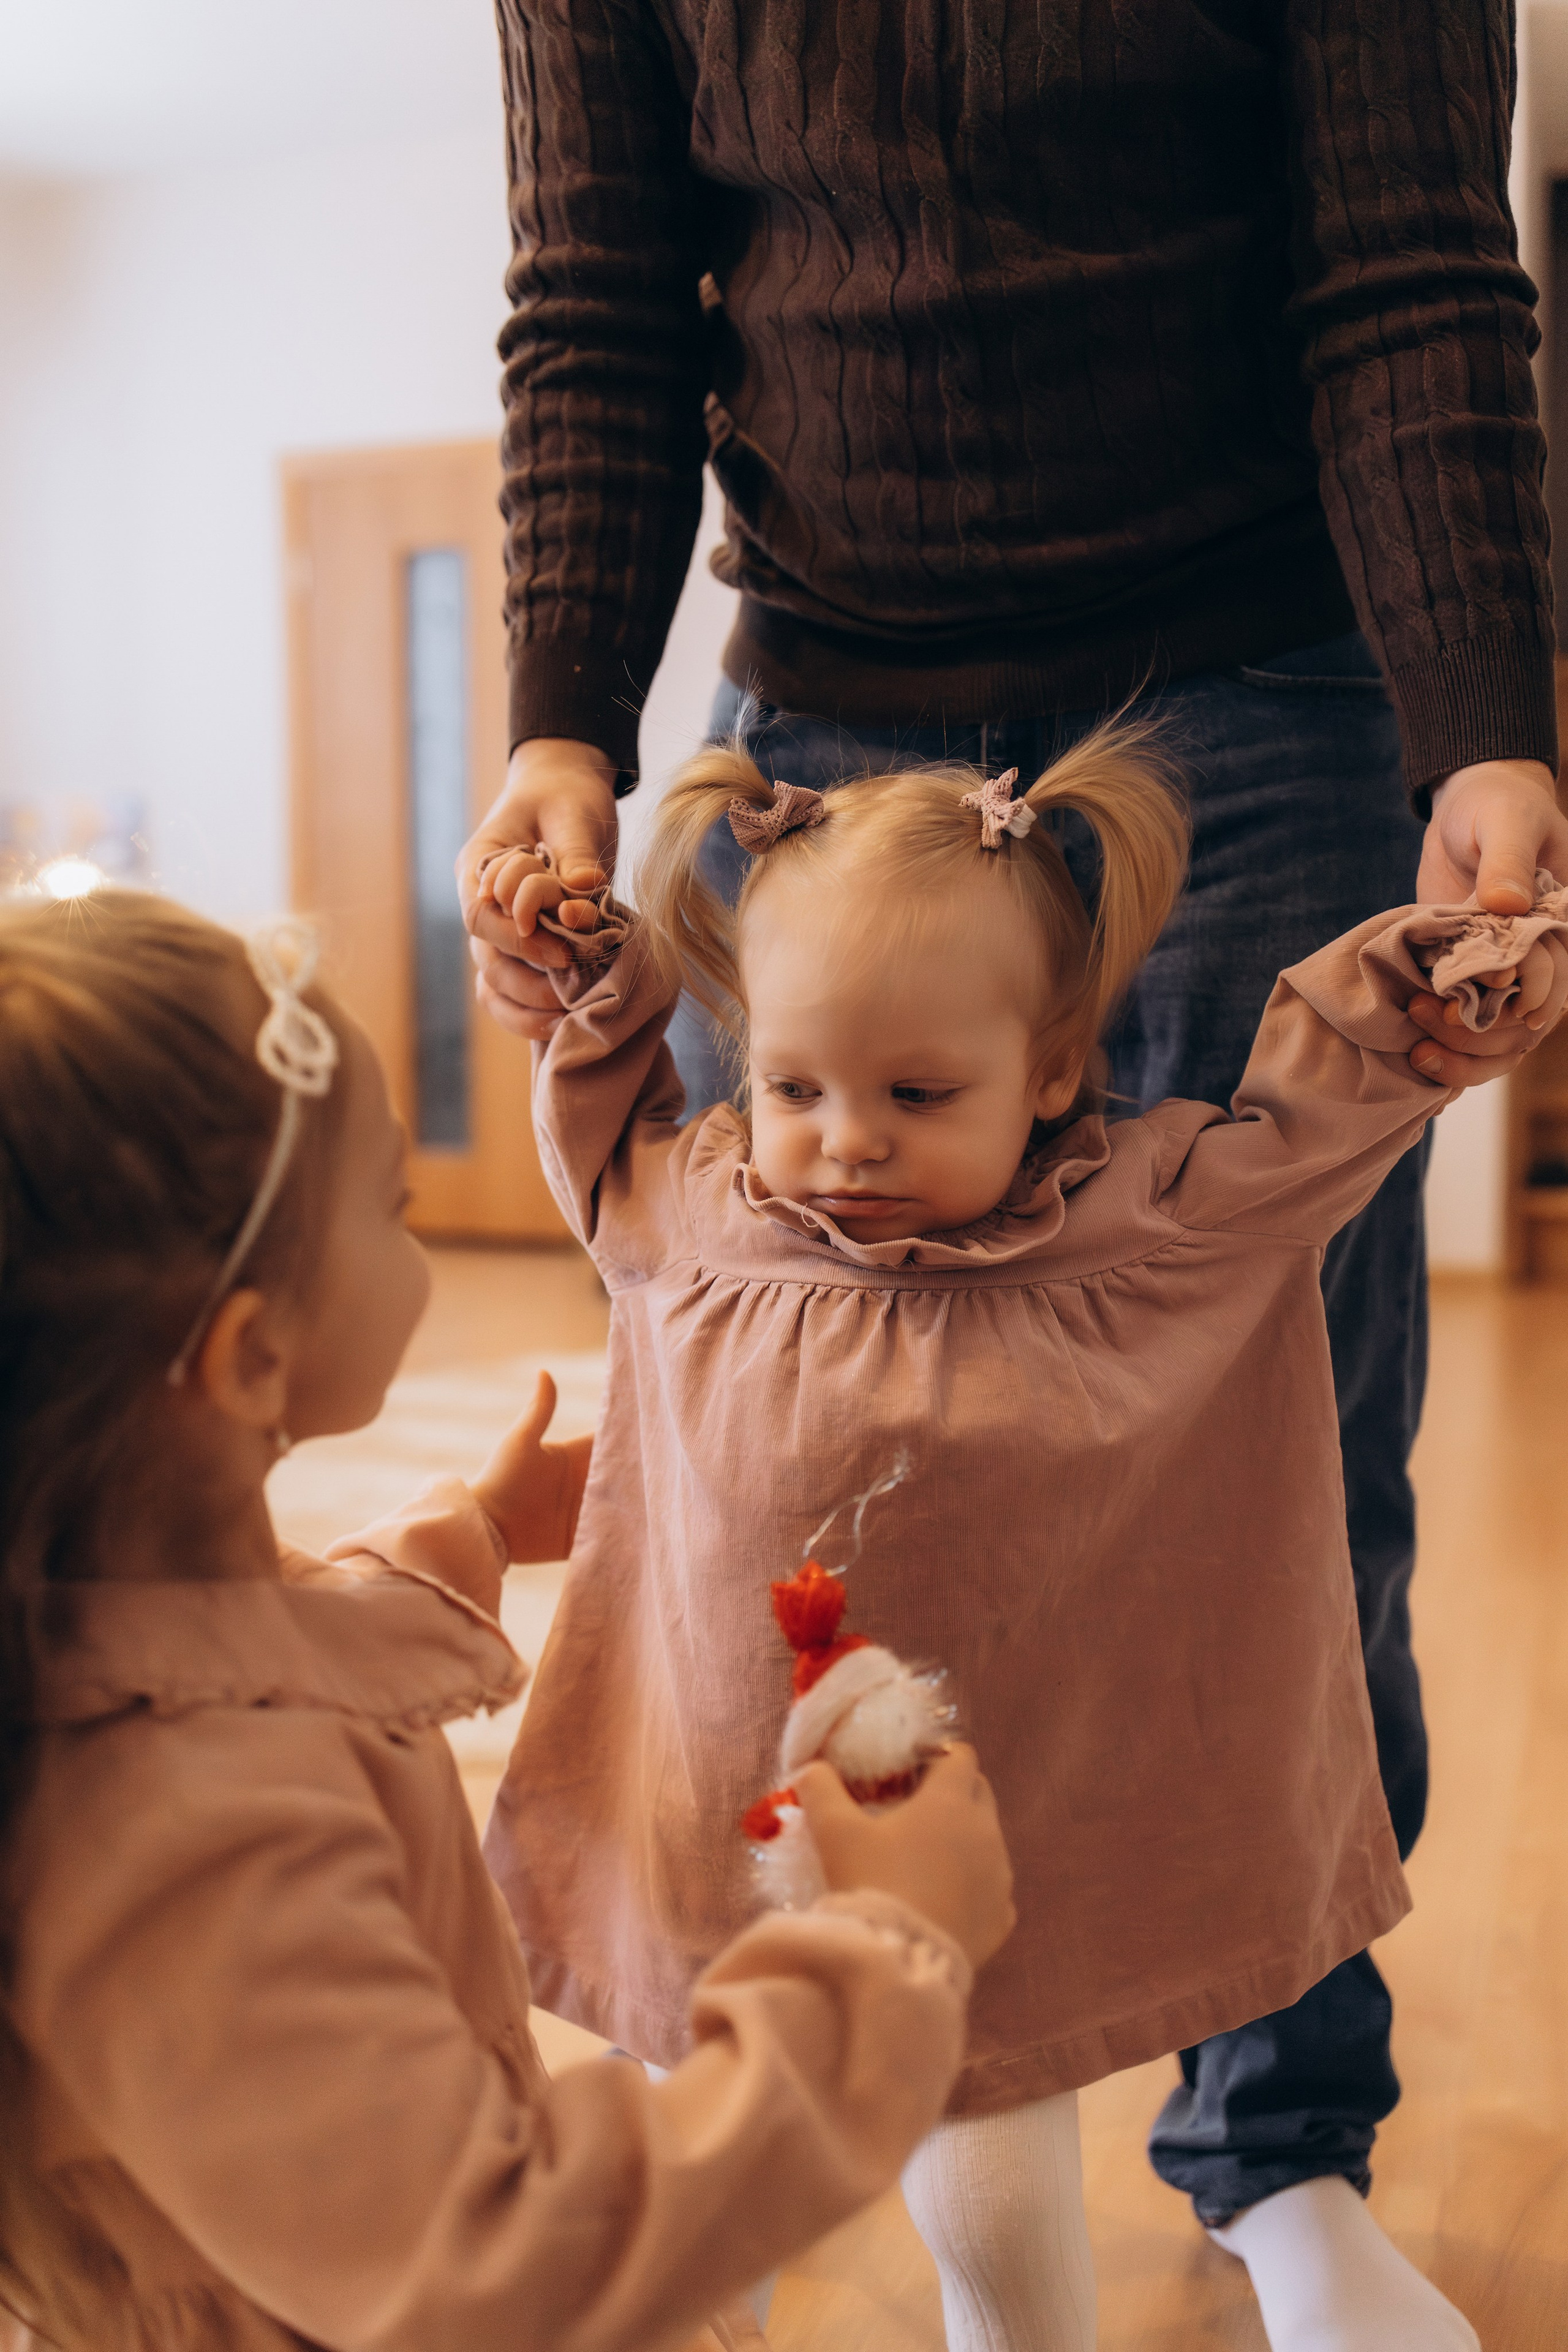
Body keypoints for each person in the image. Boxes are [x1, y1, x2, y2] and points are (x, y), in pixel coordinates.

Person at [461, 7, 1568, 2342]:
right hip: (822, 694)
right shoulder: (695, 1148)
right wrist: (567, 717)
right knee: (790, 1484)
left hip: (1258, 682)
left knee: (1290, 1460)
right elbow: (596, 288)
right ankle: (890, 2066)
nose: (841, 1159)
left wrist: (1482, 715)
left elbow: (1412, 265)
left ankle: (1282, 2158)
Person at [473, 727, 1566, 2352]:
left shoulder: (1157, 1218)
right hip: (714, 1823)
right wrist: (575, 959)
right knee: (690, 2209)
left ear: (1053, 1074)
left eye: (918, 1094)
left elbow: (1326, 1112)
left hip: (982, 1869)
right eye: (793, 1085)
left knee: (991, 2193)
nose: (844, 1138)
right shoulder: (684, 1210)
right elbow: (602, 1079)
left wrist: (1437, 994)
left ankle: (1263, 2192)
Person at [0, 888, 1016, 2352]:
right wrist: (887, 1946)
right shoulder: (195, 1851)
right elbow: (501, 2265)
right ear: (253, 1354)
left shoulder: (115, 1598)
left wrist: (460, 1541)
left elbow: (258, 1652)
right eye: (392, 1208)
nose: (412, 1238)